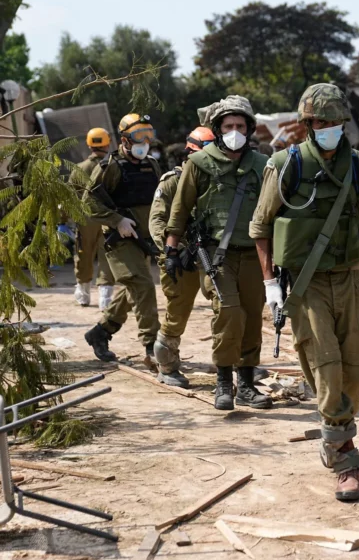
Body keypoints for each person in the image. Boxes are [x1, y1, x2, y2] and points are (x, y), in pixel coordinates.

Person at [250, 83, 359, 502]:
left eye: (335, 122)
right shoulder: (284, 165)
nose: (328, 128)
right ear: (307, 124)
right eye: (320, 122)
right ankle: (345, 457)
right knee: (326, 367)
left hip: (350, 278)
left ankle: (335, 434)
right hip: (306, 284)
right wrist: (270, 283)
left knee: (357, 369)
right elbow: (261, 227)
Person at [163, 97, 270, 411]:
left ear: (249, 129)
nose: (234, 131)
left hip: (254, 254)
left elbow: (276, 212)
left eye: (239, 126)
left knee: (251, 318)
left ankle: (247, 384)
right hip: (215, 255)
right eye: (228, 126)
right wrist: (171, 250)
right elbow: (180, 210)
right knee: (228, 312)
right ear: (218, 130)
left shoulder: (263, 165)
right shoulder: (199, 164)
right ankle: (224, 382)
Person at [83, 114, 163, 364]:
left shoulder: (152, 164)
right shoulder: (110, 166)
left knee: (133, 289)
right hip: (120, 240)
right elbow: (88, 202)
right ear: (124, 140)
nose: (145, 142)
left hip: (145, 238)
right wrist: (117, 220)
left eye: (149, 136)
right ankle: (153, 346)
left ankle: (101, 332)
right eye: (139, 137)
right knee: (143, 285)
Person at [147, 124, 216, 388]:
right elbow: (157, 221)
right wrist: (172, 250)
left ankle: (236, 364)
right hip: (180, 256)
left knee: (225, 305)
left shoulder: (215, 180)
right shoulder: (172, 181)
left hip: (209, 255)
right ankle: (167, 365)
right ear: (190, 152)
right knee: (177, 312)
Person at [73, 127, 116, 309]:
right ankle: (105, 300)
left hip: (85, 219)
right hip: (108, 218)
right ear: (107, 143)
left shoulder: (79, 169)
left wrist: (62, 222)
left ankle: (83, 295)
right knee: (107, 254)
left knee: (84, 254)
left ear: (89, 145)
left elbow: (71, 197)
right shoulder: (112, 167)